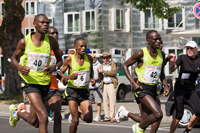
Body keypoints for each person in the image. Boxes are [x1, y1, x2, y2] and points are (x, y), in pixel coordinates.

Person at [10, 14, 62, 133]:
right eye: (42, 22)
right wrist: (20, 67)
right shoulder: (24, 41)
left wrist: (54, 67)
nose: (45, 25)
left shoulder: (52, 42)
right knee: (43, 117)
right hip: (29, 82)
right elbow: (13, 58)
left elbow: (60, 61)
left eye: (47, 23)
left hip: (44, 82)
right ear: (34, 24)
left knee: (34, 121)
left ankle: (17, 113)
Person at [115, 30, 169, 133]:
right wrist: (133, 83)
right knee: (158, 114)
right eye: (155, 39)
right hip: (142, 88)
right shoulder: (141, 53)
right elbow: (125, 65)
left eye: (159, 39)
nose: (158, 41)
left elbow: (161, 72)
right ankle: (139, 128)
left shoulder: (161, 54)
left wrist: (165, 85)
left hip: (153, 88)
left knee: (152, 119)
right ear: (148, 41)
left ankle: (125, 113)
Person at [60, 38, 95, 133]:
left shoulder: (89, 58)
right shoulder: (69, 59)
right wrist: (68, 77)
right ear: (75, 47)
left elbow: (91, 71)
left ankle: (75, 113)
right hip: (72, 91)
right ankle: (74, 115)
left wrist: (92, 79)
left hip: (83, 91)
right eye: (81, 46)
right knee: (75, 121)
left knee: (88, 119)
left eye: (85, 46)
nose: (84, 48)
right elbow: (60, 73)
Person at [169, 41, 200, 133]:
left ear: (196, 50)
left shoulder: (199, 60)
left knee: (198, 112)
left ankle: (187, 130)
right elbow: (173, 68)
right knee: (179, 115)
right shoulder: (182, 58)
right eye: (187, 49)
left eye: (191, 48)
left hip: (191, 89)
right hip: (180, 88)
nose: (189, 50)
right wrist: (172, 63)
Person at [47, 26, 63, 133]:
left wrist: (61, 77)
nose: (55, 35)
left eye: (56, 33)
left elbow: (55, 70)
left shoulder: (58, 51)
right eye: (53, 33)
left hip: (53, 87)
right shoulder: (40, 48)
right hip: (40, 88)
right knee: (36, 121)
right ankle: (18, 112)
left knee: (58, 116)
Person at [98, 52, 118, 123]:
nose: (105, 59)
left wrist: (104, 71)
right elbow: (100, 77)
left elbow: (114, 72)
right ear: (102, 59)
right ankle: (107, 116)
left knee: (112, 101)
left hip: (111, 84)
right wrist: (99, 73)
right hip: (104, 84)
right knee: (105, 102)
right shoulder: (101, 65)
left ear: (109, 58)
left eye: (106, 58)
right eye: (104, 58)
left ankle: (112, 117)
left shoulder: (112, 64)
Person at [88, 53, 103, 122]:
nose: (93, 59)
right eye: (91, 57)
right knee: (89, 103)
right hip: (88, 87)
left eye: (94, 57)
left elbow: (99, 76)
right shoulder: (87, 64)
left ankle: (98, 115)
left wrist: (92, 79)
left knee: (98, 102)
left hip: (97, 86)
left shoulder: (99, 65)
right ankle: (89, 115)